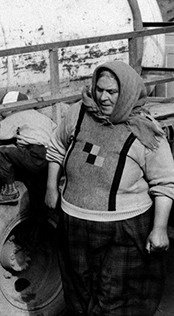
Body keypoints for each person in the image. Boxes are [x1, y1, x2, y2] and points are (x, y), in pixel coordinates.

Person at [46, 61, 174, 315]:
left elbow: (165, 183)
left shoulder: (145, 131)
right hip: (75, 224)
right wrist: (51, 188)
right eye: (99, 89)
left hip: (123, 230)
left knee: (114, 303)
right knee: (79, 297)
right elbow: (57, 147)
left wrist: (159, 229)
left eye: (112, 92)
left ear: (126, 92)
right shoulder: (78, 113)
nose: (103, 97)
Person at [0, 91, 56, 205]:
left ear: (11, 108)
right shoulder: (40, 115)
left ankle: (9, 192)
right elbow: (55, 130)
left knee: (1, 153)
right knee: (37, 190)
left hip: (34, 155)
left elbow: (1, 133)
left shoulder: (17, 115)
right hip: (50, 155)